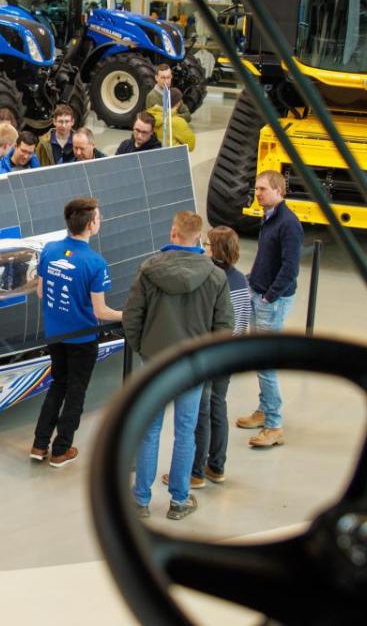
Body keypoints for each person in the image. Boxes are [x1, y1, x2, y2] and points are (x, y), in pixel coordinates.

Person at [124, 210, 233, 521]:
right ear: (198, 238)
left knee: (150, 430)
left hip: (155, 362)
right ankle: (179, 500)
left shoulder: (148, 271)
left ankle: (141, 500)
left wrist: (144, 349)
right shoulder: (215, 276)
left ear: (173, 233)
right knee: (186, 432)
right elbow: (224, 325)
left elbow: (132, 318)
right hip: (192, 366)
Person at [30, 197, 122, 468]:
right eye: (99, 217)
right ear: (91, 224)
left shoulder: (49, 250)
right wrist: (127, 315)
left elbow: (39, 291)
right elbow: (101, 312)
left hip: (55, 334)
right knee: (76, 392)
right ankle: (61, 449)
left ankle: (39, 444)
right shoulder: (95, 263)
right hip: (81, 339)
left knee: (58, 384)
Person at [235, 170, 303, 448]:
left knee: (265, 363)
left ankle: (274, 425)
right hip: (259, 293)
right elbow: (266, 258)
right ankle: (264, 411)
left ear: (279, 191)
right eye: (256, 188)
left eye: (263, 189)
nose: (258, 193)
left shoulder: (289, 224)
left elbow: (291, 268)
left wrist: (268, 297)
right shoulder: (269, 218)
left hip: (271, 303)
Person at [189, 225, 253, 487]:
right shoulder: (241, 280)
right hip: (229, 355)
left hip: (209, 356)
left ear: (214, 250)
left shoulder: (211, 281)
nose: (203, 247)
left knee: (200, 413)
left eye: (207, 244)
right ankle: (216, 467)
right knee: (219, 408)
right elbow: (244, 320)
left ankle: (194, 474)